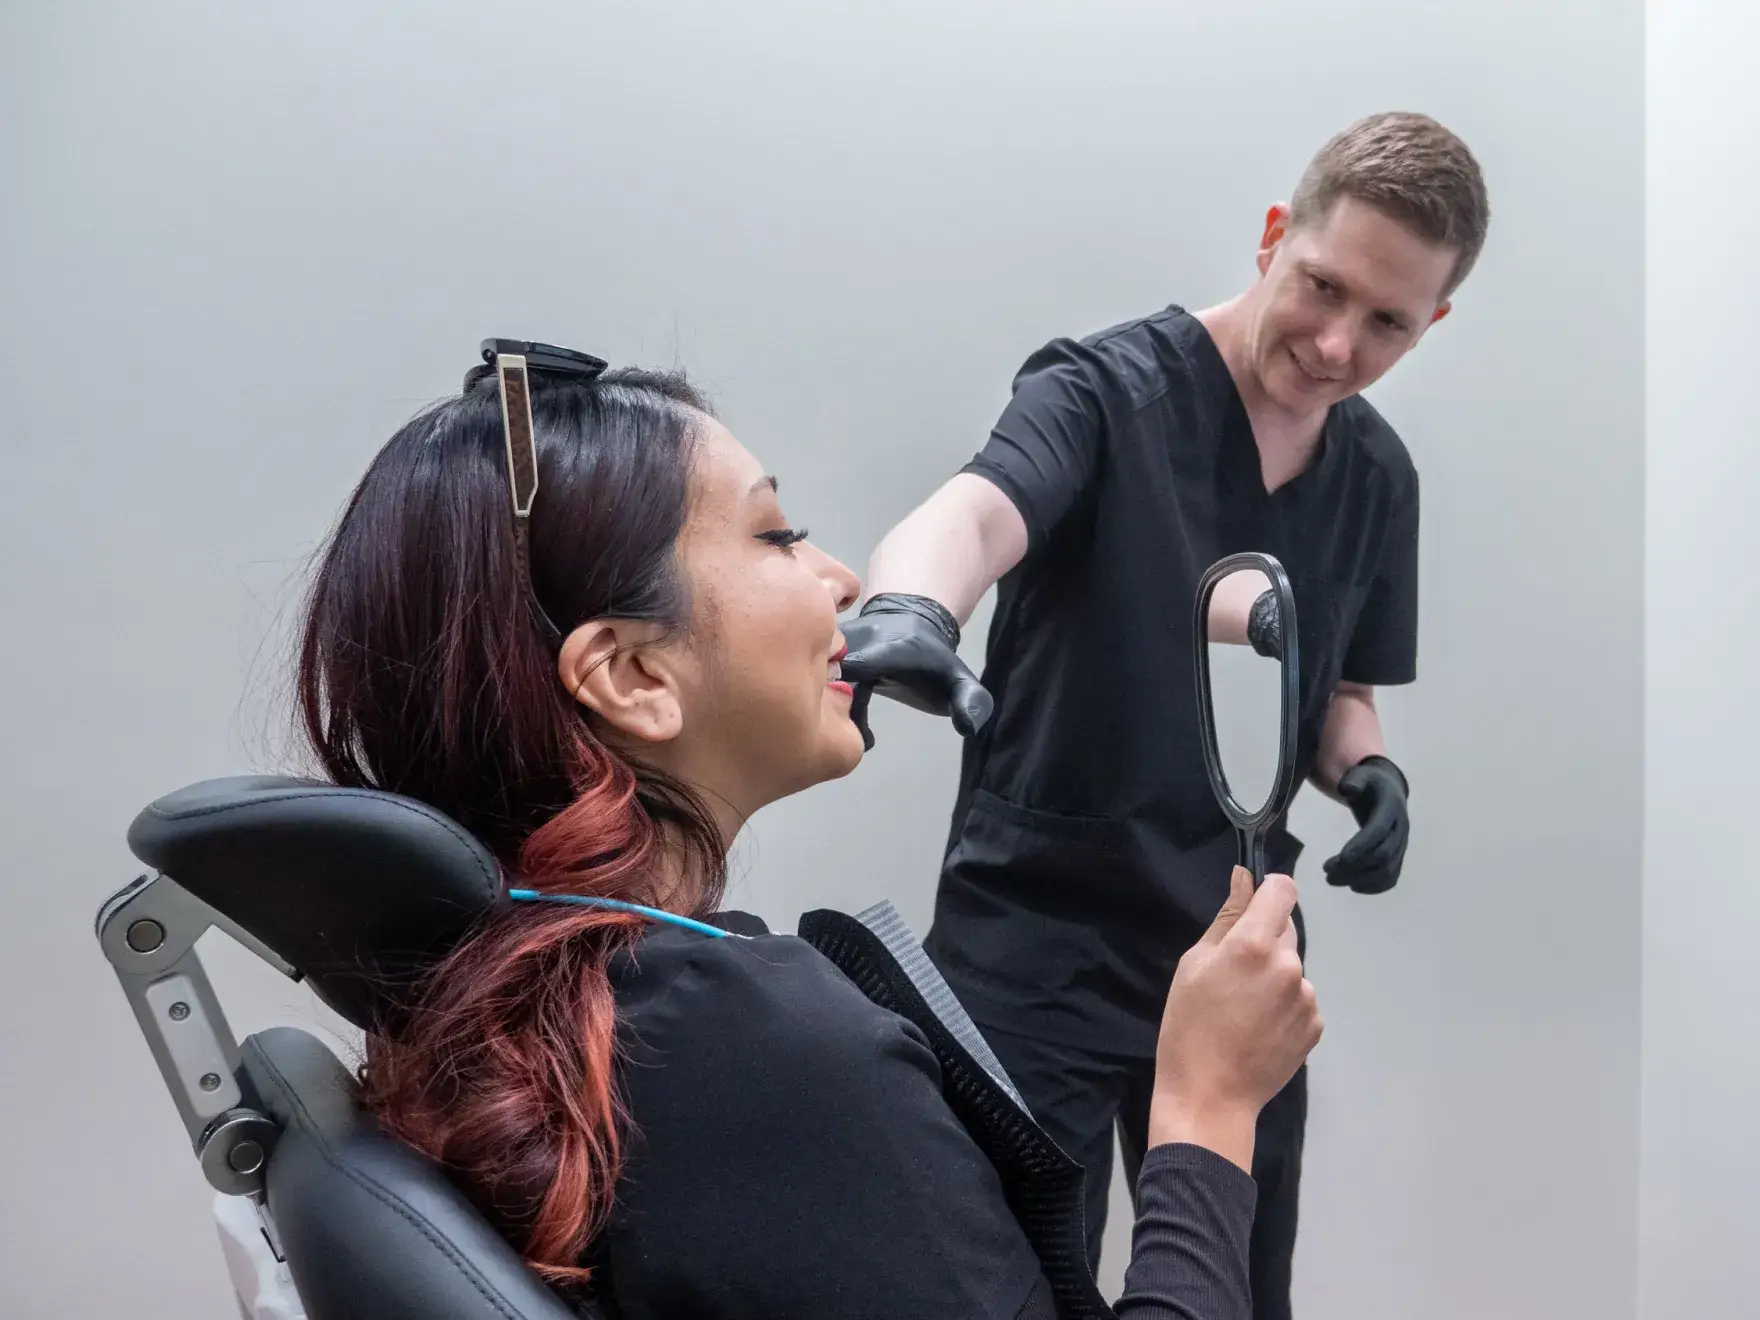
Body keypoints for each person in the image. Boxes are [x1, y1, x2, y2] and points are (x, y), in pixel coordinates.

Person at [291, 342, 1323, 1319]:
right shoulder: (758, 1058)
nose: (839, 578)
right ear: (631, 676)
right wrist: (1203, 1111)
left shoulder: (541, 1005)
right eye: (776, 535)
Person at [839, 111, 1490, 1317]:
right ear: (1268, 238)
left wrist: (1370, 778)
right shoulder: (1103, 391)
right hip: (1036, 935)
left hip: (1235, 936)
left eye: (1388, 322)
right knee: (1012, 1282)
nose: (1339, 343)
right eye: (1321, 287)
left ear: (1431, 321)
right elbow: (976, 515)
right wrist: (909, 609)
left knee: (1235, 1283)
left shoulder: (1376, 475)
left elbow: (1340, 686)